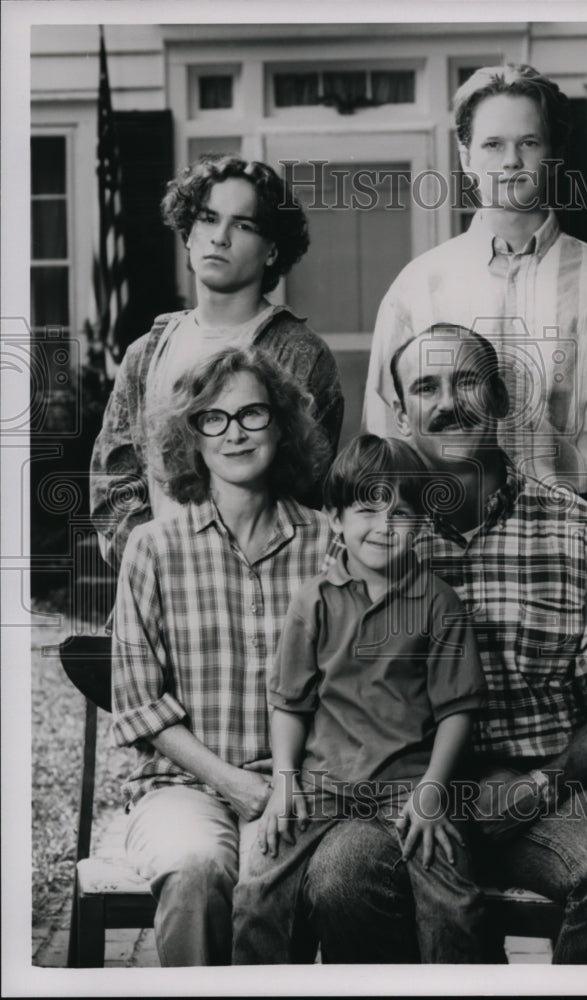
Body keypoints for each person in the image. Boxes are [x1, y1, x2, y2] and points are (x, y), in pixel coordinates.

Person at [307, 325, 587, 964]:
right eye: (425, 387)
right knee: (341, 876)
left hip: (543, 789)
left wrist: (543, 783)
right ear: (400, 411)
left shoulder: (578, 533)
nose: (448, 403)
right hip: (396, 786)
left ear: (501, 398)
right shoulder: (367, 537)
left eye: (467, 381)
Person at [363, 63, 587, 582]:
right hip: (447, 548)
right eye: (492, 145)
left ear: (552, 154)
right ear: (466, 157)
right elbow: (386, 437)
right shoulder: (418, 286)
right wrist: (403, 559)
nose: (511, 161)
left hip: (576, 548)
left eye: (528, 143)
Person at [110, 345, 333, 965]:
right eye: (214, 418)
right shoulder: (153, 549)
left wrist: (291, 783)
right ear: (192, 437)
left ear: (281, 427)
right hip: (184, 786)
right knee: (195, 870)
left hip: (302, 784)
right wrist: (232, 783)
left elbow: (353, 688)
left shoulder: (329, 543)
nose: (235, 433)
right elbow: (139, 706)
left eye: (253, 415)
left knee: (286, 882)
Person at [232, 434, 492, 964]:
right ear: (335, 518)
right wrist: (284, 780)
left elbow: (457, 710)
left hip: (409, 789)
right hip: (322, 785)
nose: (385, 525)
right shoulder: (314, 602)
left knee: (453, 904)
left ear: (421, 522)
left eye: (400, 511)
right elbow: (290, 703)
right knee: (258, 885)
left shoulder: (439, 604)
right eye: (367, 508)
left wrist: (433, 790)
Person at [91, 154, 344, 572]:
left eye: (243, 225)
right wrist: (160, 569)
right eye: (208, 219)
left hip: (264, 598)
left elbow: (306, 491)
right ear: (188, 235)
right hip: (160, 591)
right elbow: (112, 487)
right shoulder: (146, 354)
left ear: (272, 251)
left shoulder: (300, 353)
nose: (219, 237)